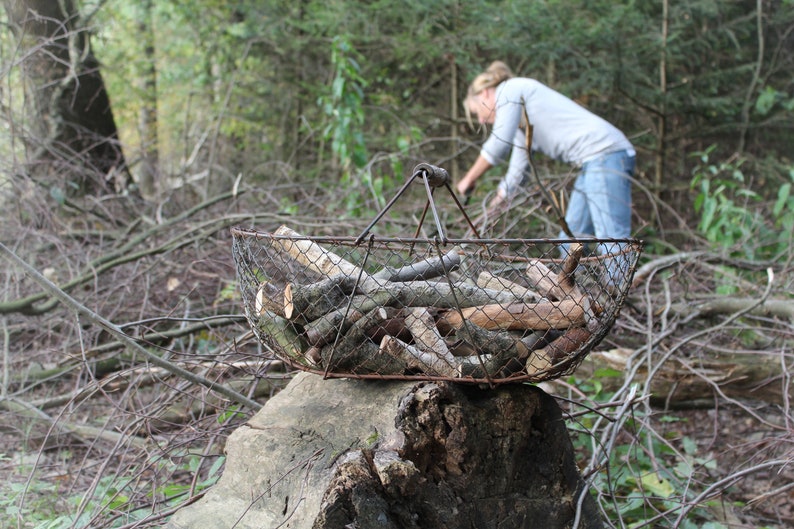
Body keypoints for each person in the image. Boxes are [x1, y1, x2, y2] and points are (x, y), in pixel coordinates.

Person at [457, 61, 635, 279]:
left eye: (477, 112)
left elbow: (498, 145)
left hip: (606, 154)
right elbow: (518, 172)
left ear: (485, 93)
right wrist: (494, 207)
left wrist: (468, 179)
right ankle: (581, 301)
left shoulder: (510, 89)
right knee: (570, 243)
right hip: (592, 163)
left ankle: (616, 302)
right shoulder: (522, 123)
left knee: (611, 240)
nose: (481, 119)